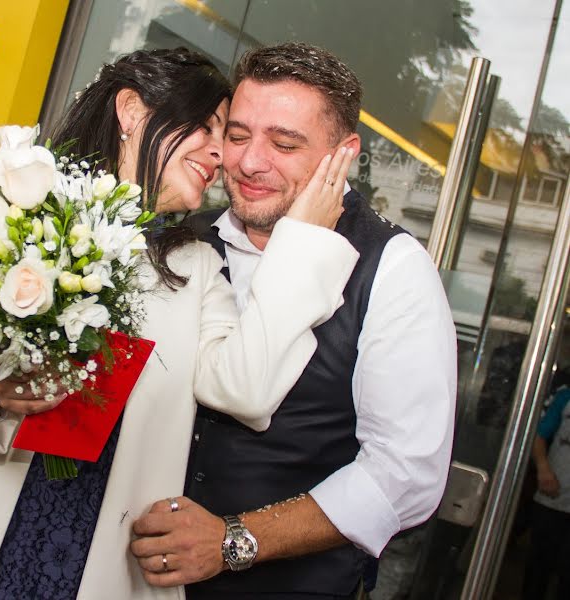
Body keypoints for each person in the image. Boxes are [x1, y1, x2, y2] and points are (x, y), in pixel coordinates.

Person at [0, 48, 357, 600]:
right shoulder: (4, 207)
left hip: (98, 565)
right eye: (205, 127)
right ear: (131, 110)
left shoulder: (194, 267)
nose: (222, 154)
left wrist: (303, 245)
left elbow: (244, 388)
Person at [129, 43, 457, 599]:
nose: (250, 162)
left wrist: (234, 539)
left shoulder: (394, 268)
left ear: (343, 153)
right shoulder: (182, 239)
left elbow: (404, 476)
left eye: (284, 144)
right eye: (236, 136)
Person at [522, 370, 570, 599]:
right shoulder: (566, 397)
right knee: (538, 569)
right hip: (552, 499)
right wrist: (543, 468)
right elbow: (539, 435)